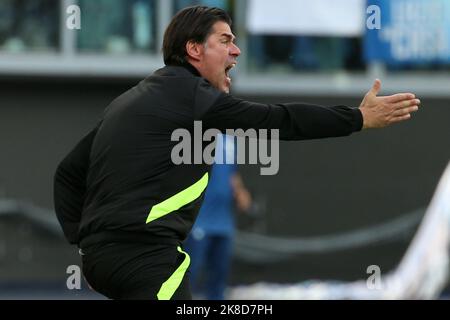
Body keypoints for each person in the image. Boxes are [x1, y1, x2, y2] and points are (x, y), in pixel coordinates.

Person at [53, 6, 421, 300]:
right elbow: (278, 120)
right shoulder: (191, 96)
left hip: (105, 259)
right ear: (194, 49)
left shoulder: (132, 99)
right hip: (145, 257)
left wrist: (86, 244)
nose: (237, 50)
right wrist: (357, 118)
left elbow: (68, 173)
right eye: (225, 40)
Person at [184, 134, 251, 300]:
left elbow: (231, 172)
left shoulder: (229, 138)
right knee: (188, 276)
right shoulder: (195, 134)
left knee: (219, 277)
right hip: (199, 220)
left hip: (223, 222)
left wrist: (240, 191)